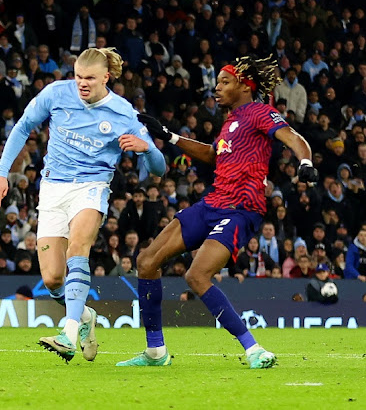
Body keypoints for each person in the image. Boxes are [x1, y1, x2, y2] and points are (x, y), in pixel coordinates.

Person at [122, 55, 318, 369]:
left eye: (224, 82)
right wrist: (169, 136)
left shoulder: (260, 112)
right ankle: (155, 351)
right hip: (213, 203)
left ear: (245, 84)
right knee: (146, 261)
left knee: (196, 275)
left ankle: (254, 350)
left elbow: (294, 139)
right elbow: (214, 155)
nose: (217, 88)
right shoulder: (230, 122)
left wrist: (305, 163)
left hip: (242, 208)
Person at [0, 48, 166, 363]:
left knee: (78, 250)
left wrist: (145, 149)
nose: (82, 84)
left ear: (105, 78)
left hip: (92, 187)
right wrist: (1, 174)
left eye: (89, 79)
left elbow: (158, 168)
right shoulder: (57, 93)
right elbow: (22, 126)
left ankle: (67, 334)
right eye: (78, 77)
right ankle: (84, 317)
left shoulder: (124, 113)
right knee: (53, 279)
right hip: (53, 188)